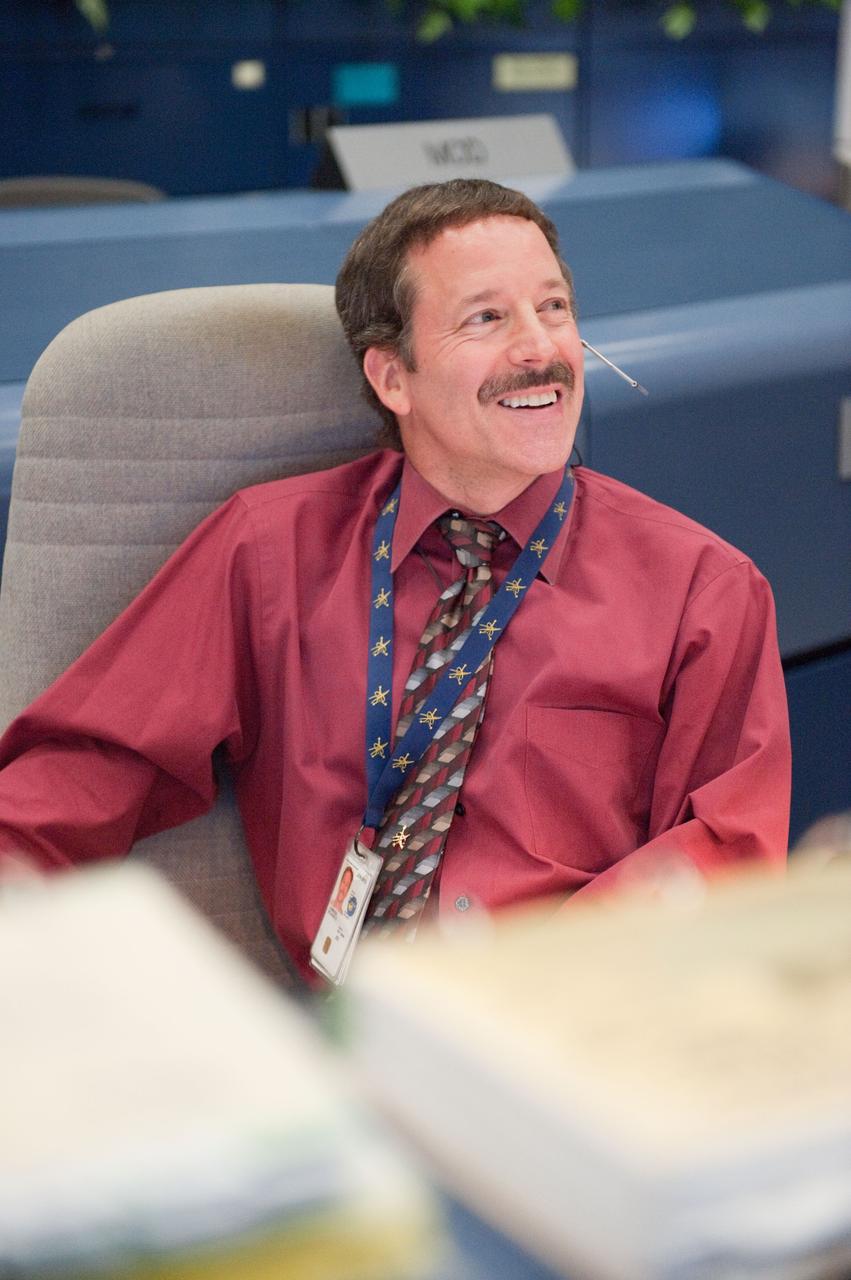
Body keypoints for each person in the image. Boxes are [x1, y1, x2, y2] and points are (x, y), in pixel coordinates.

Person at [0, 179, 790, 983]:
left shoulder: (702, 589)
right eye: (486, 318)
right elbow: (83, 773)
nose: (540, 348)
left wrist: (523, 996)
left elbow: (726, 851)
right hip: (340, 1030)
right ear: (391, 379)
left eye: (552, 308)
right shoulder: (271, 550)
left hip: (574, 1023)